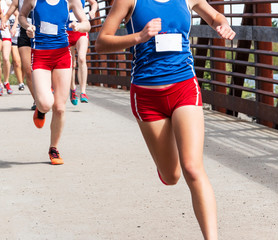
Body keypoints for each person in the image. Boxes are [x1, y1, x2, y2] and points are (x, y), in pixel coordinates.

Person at [95, 0, 235, 239]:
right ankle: (167, 167)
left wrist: (223, 24)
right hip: (147, 96)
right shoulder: (129, 1)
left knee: (193, 168)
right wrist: (138, 37)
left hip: (184, 87)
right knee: (172, 176)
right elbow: (101, 42)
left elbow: (215, 17)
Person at [19, 0, 90, 164]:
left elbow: (87, 23)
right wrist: (27, 27)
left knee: (59, 108)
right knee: (46, 103)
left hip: (62, 56)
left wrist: (79, 27)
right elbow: (22, 16)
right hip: (40, 55)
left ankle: (54, 148)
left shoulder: (70, 1)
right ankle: (41, 110)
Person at [1, 0, 34, 108]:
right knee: (28, 70)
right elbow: (7, 14)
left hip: (41, 32)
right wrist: (3, 21)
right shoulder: (18, 0)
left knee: (44, 68)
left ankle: (47, 91)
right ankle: (37, 100)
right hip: (25, 33)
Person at [67, 0, 97, 105]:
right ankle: (73, 89)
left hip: (81, 30)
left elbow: (94, 2)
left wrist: (93, 11)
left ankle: (83, 92)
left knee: (82, 58)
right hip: (67, 31)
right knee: (71, 63)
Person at [0, 0, 14, 94]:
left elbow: (18, 13)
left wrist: (13, 26)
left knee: (5, 58)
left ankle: (6, 81)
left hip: (6, 34)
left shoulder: (7, 2)